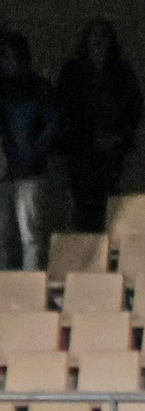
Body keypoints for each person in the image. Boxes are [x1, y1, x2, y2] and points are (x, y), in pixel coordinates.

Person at [55, 19, 143, 232]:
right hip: (80, 150)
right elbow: (65, 108)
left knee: (110, 202)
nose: (98, 40)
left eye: (103, 36)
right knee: (83, 203)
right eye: (93, 35)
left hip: (112, 150)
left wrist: (117, 136)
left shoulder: (121, 72)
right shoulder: (73, 71)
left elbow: (133, 109)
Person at [0, 33, 58, 271]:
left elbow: (52, 125)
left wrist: (32, 153)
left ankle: (29, 293)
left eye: (11, 54)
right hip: (2, 174)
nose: (7, 60)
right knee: (1, 238)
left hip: (30, 173)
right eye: (3, 55)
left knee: (30, 238)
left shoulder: (40, 88)